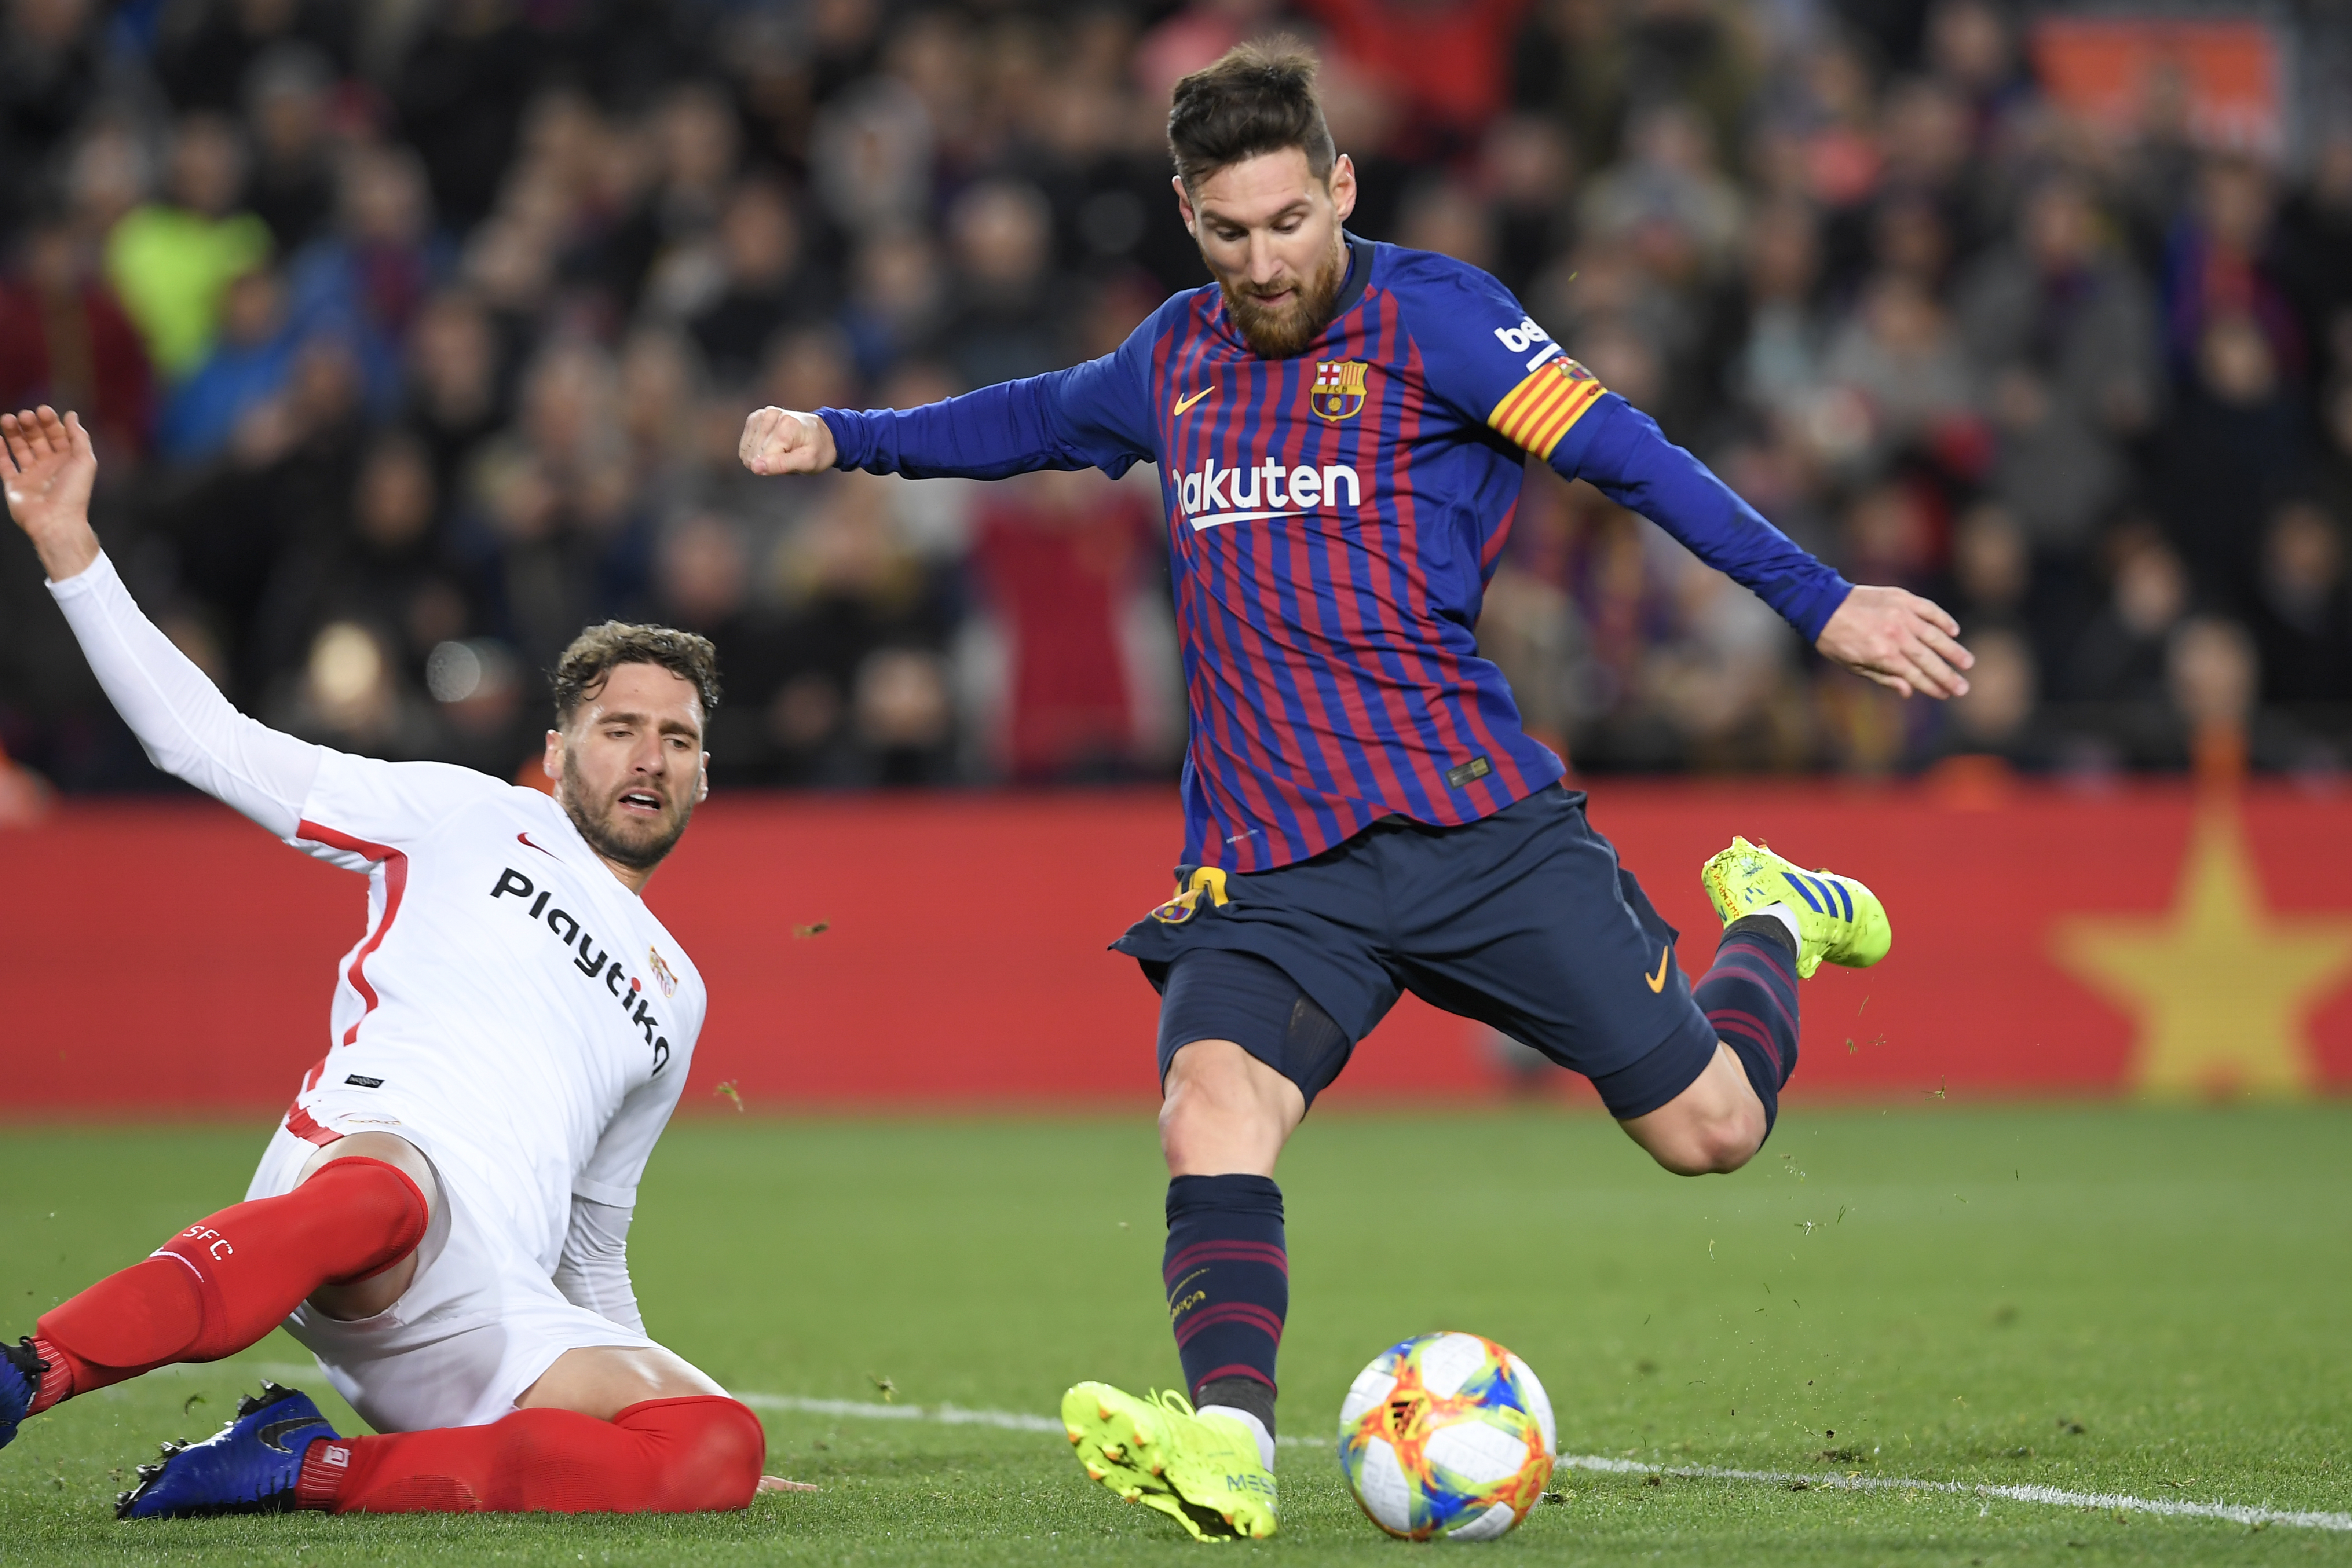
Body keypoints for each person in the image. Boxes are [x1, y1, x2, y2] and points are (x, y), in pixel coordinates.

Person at [739, 42, 1971, 1542]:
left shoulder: (1442, 319)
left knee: (1712, 1131)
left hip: (1477, 833)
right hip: (1272, 873)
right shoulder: (1172, 360)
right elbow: (1029, 420)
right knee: (1209, 1109)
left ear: (1340, 188)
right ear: (1187, 214)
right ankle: (1231, 1448)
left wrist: (1822, 602)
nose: (1263, 264)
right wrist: (846, 439)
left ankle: (1772, 915)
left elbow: (1635, 462)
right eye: (1227, 232)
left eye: (1288, 224)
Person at [0, 405, 776, 1518]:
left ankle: (294, 1464)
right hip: (365, 1187)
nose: (651, 758)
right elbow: (205, 742)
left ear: (705, 778)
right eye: (620, 729)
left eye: (681, 740)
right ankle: (31, 1373)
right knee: (379, 1196)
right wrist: (71, 547)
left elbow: (595, 1244)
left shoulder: (679, 994)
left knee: (718, 1451)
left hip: (485, 1312)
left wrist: (653, 1401)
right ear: (557, 755)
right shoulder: (463, 814)